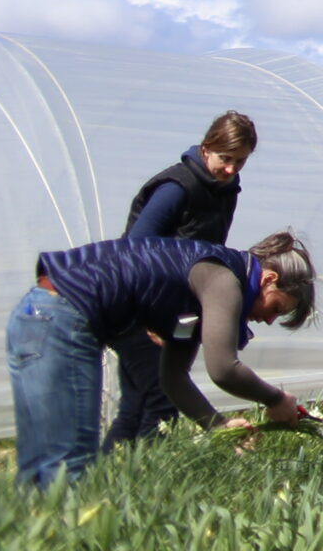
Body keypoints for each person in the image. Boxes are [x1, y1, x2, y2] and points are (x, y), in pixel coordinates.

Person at [5, 229, 318, 486]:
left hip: (36, 315)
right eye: (276, 308)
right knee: (69, 467)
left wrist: (217, 425)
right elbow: (223, 369)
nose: (268, 320)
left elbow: (173, 377)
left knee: (37, 470)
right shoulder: (223, 280)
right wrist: (276, 399)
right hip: (63, 317)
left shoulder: (189, 307)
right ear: (268, 279)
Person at [108, 110, 258, 447]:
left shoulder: (225, 190)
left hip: (172, 309)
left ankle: (111, 477)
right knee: (159, 399)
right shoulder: (178, 187)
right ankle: (142, 478)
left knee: (138, 403)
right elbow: (137, 249)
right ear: (206, 148)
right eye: (226, 158)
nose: (232, 169)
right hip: (138, 304)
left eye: (241, 161)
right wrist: (148, 317)